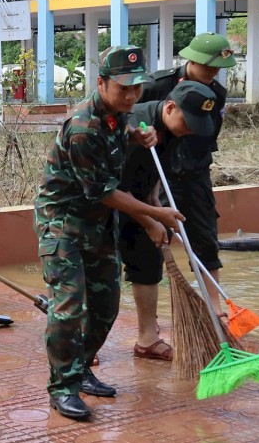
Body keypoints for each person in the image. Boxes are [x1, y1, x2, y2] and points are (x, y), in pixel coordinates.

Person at [35, 46, 183, 421]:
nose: (132, 96)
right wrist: (155, 215)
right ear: (101, 83)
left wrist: (136, 136)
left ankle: (81, 369)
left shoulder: (117, 116)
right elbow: (102, 190)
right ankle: (62, 387)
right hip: (63, 224)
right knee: (69, 308)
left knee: (106, 304)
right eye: (123, 89)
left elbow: (116, 138)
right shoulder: (84, 126)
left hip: (97, 223)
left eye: (137, 89)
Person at [119, 81, 220, 361]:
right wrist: (152, 220)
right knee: (96, 272)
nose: (191, 130)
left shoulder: (175, 129)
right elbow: (115, 188)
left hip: (137, 197)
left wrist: (156, 206)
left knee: (149, 264)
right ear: (171, 107)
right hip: (99, 199)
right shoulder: (136, 127)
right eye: (189, 122)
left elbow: (151, 175)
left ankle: (147, 340)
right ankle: (80, 344)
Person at [141, 32, 236, 326]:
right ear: (190, 59)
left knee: (205, 237)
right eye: (207, 66)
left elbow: (209, 135)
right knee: (155, 243)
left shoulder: (217, 94)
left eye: (217, 68)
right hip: (157, 172)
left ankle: (214, 309)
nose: (212, 73)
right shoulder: (158, 85)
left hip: (194, 172)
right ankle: (151, 318)